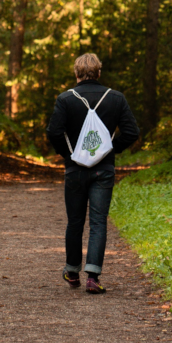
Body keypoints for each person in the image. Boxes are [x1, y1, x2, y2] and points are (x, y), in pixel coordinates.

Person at [45, 52, 140, 294]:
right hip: (104, 170)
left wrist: (69, 155)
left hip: (75, 169)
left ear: (76, 74)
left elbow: (54, 131)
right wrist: (109, 149)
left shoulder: (65, 99)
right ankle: (93, 277)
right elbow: (131, 132)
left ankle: (72, 271)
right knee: (98, 222)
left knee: (75, 221)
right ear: (99, 73)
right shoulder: (116, 98)